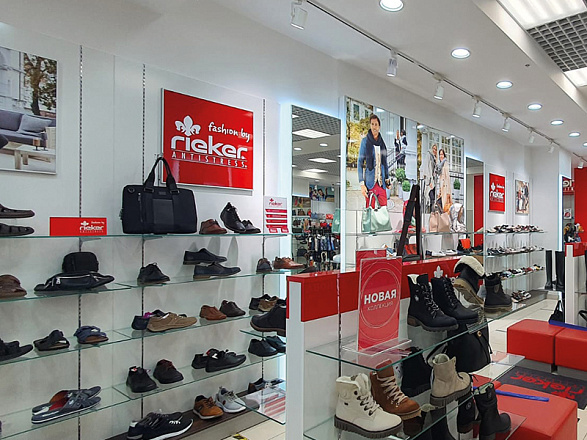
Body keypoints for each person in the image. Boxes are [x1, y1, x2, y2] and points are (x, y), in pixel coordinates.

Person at [358, 114, 389, 207]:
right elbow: (360, 163)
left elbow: (385, 163)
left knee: (383, 210)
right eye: (372, 124)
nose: (374, 127)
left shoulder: (382, 143)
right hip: (370, 183)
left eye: (376, 124)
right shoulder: (365, 141)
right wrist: (362, 184)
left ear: (379, 127)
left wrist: (387, 179)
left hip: (381, 183)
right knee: (370, 210)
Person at [420, 143, 437, 212]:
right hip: (429, 181)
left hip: (433, 181)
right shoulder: (429, 155)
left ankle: (431, 214)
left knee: (432, 199)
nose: (434, 150)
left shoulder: (434, 158)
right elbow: (426, 168)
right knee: (430, 197)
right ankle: (429, 214)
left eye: (436, 149)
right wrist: (428, 182)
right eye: (433, 149)